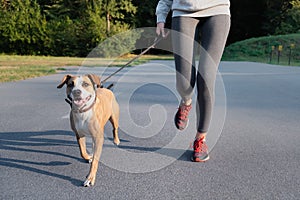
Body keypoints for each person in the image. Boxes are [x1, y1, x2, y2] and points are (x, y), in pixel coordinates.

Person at [156, 0, 231, 162]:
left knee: (206, 77)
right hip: (183, 12)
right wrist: (161, 17)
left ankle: (200, 139)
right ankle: (186, 101)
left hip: (218, 11)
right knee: (185, 82)